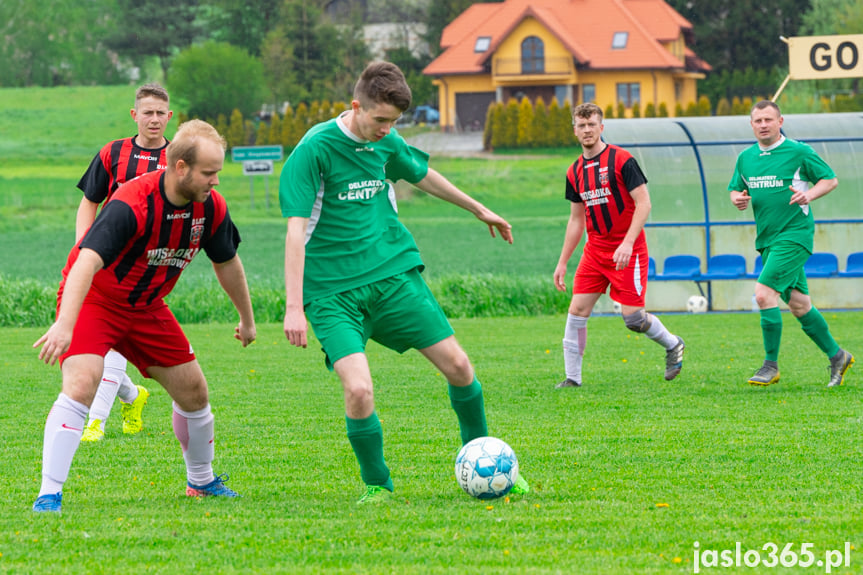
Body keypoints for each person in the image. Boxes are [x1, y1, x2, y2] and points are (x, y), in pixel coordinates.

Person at [279, 61, 529, 504]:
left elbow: (422, 174)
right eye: (380, 121)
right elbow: (295, 230)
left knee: (460, 366)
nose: (387, 131)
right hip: (332, 292)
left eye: (394, 123)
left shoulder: (386, 141)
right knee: (358, 389)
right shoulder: (314, 149)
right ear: (356, 107)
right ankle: (378, 486)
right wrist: (294, 306)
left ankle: (483, 456)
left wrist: (478, 208)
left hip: (393, 276)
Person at [32, 119, 256, 513]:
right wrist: (66, 324)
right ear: (181, 168)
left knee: (194, 393)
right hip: (96, 301)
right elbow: (86, 262)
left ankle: (201, 481)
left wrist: (247, 318)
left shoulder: (211, 208)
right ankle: (49, 493)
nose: (216, 181)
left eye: (218, 172)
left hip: (147, 308)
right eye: (209, 172)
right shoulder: (132, 203)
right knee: (83, 383)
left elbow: (228, 262)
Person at [553, 103, 685, 388]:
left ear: (601, 127)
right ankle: (572, 379)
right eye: (581, 125)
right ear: (574, 130)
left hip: (629, 251)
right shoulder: (574, 171)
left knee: (633, 319)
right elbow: (576, 220)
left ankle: (673, 344)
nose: (587, 130)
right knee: (576, 310)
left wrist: (627, 243)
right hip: (595, 252)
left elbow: (644, 203)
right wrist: (563, 261)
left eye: (592, 125)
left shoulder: (622, 160)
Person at [728, 100, 853, 387]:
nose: (763, 125)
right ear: (751, 124)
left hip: (794, 236)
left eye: (768, 120)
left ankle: (770, 366)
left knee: (763, 294)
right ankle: (837, 356)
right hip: (768, 240)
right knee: (799, 305)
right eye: (758, 120)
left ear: (780, 121)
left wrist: (809, 195)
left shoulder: (798, 151)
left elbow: (830, 180)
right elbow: (736, 188)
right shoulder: (746, 157)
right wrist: (737, 198)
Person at [75, 83, 175, 442]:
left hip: (149, 268)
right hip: (105, 258)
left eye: (160, 113)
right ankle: (133, 396)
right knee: (104, 340)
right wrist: (83, 249)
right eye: (146, 112)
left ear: (170, 117)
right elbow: (90, 199)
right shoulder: (113, 152)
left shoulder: (178, 157)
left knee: (113, 342)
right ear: (135, 115)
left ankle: (95, 423)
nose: (153, 119)